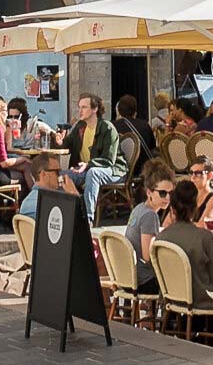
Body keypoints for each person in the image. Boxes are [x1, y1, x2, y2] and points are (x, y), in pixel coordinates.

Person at [155, 180, 213, 316]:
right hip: (202, 300)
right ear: (195, 207)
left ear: (172, 209)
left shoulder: (161, 239)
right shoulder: (204, 238)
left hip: (172, 299)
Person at [59, 93, 124, 223]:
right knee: (61, 175)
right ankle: (66, 215)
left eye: (84, 107)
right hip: (85, 169)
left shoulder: (107, 128)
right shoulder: (80, 127)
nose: (80, 111)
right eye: (79, 107)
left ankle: (87, 219)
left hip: (112, 170)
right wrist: (60, 140)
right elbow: (67, 145)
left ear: (95, 109)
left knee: (93, 173)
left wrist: (88, 164)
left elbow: (109, 160)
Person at [123, 162, 173, 288]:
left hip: (128, 277)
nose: (167, 197)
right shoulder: (150, 216)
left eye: (170, 193)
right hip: (144, 280)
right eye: (162, 193)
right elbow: (148, 256)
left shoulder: (138, 209)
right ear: (149, 192)